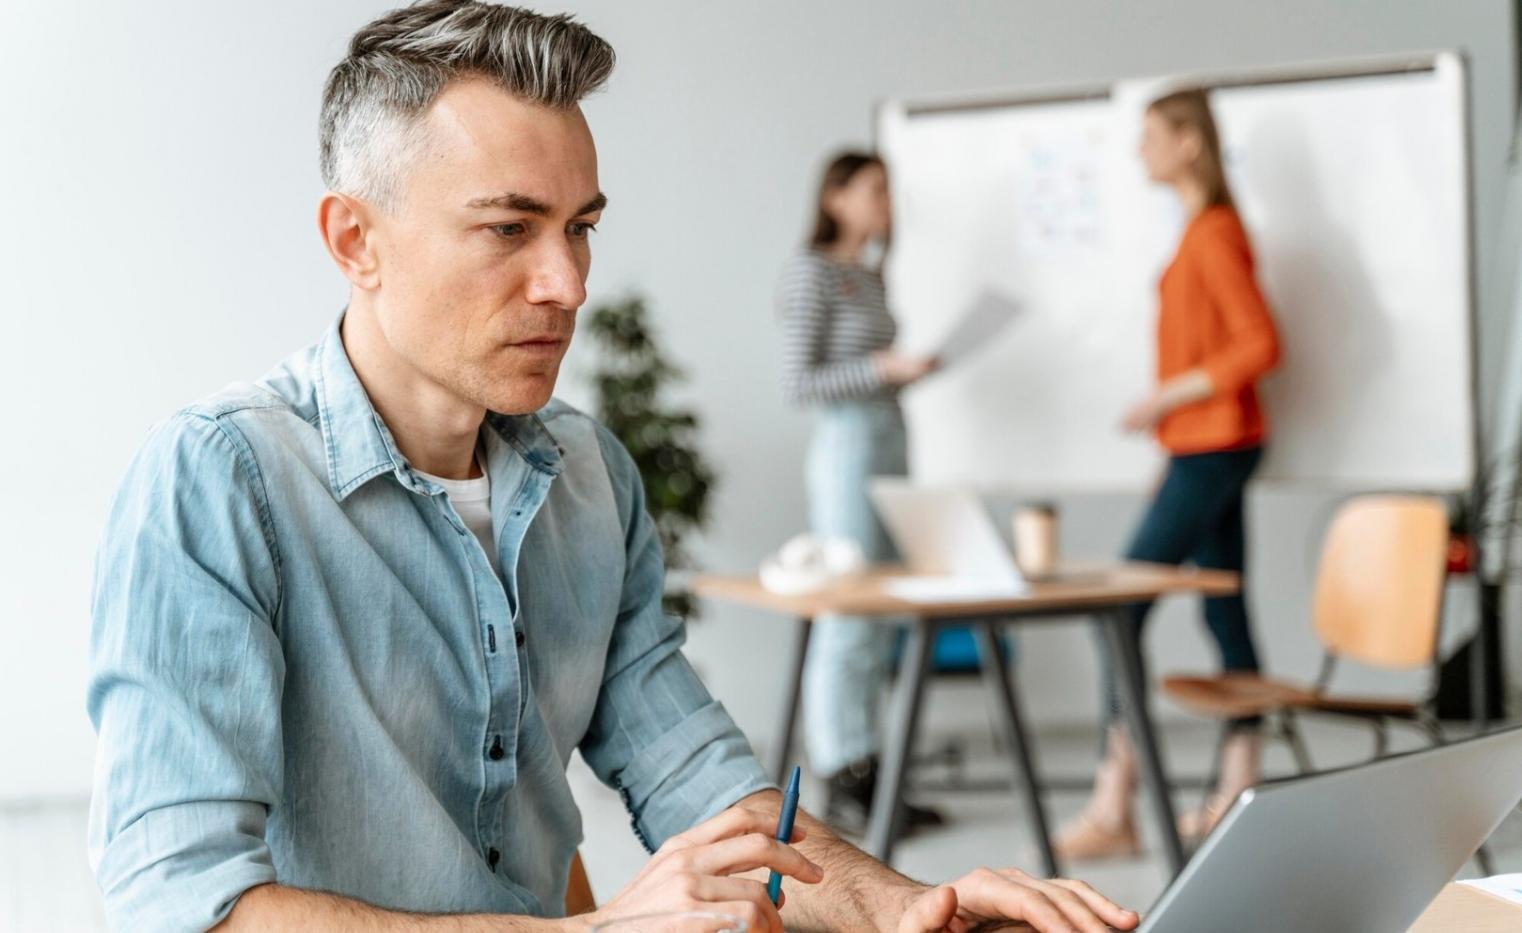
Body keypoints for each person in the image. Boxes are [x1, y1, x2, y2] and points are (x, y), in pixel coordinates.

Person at [86, 3, 1139, 931]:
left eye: (580, 228)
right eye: (509, 228)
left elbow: (695, 776)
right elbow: (181, 906)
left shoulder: (588, 474)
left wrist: (911, 908)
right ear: (354, 239)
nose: (567, 284)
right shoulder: (217, 482)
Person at [1054, 88, 1282, 862]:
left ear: (1190, 143)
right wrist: (1171, 441)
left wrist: (1164, 398)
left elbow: (1259, 344)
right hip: (1203, 447)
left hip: (1214, 444)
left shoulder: (1214, 234)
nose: (1138, 151)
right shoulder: (1199, 231)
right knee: (1226, 615)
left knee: (1121, 610)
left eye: (1151, 135)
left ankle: (1115, 803)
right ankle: (1237, 795)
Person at [776, 152, 945, 836]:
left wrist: (902, 374)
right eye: (875, 188)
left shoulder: (869, 275)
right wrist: (880, 366)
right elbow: (798, 383)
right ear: (837, 196)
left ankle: (873, 766)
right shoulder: (810, 273)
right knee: (848, 610)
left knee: (879, 614)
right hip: (849, 447)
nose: (887, 201)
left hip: (891, 441)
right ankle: (840, 767)